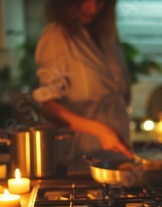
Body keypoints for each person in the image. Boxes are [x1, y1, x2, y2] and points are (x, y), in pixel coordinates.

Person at [32, 0, 133, 162]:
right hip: (81, 156)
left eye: (100, 1)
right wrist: (100, 130)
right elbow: (47, 105)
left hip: (117, 153)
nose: (93, 8)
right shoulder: (57, 35)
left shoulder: (107, 36)